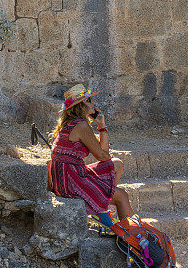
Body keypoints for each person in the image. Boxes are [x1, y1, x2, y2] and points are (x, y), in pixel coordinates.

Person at [48, 83, 135, 222]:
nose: (93, 102)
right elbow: (102, 156)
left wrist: (102, 126)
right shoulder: (81, 126)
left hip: (67, 177)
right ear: (81, 105)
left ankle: (99, 208)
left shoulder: (75, 124)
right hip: (71, 181)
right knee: (122, 195)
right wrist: (105, 155)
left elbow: (104, 154)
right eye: (89, 100)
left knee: (116, 164)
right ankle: (134, 235)